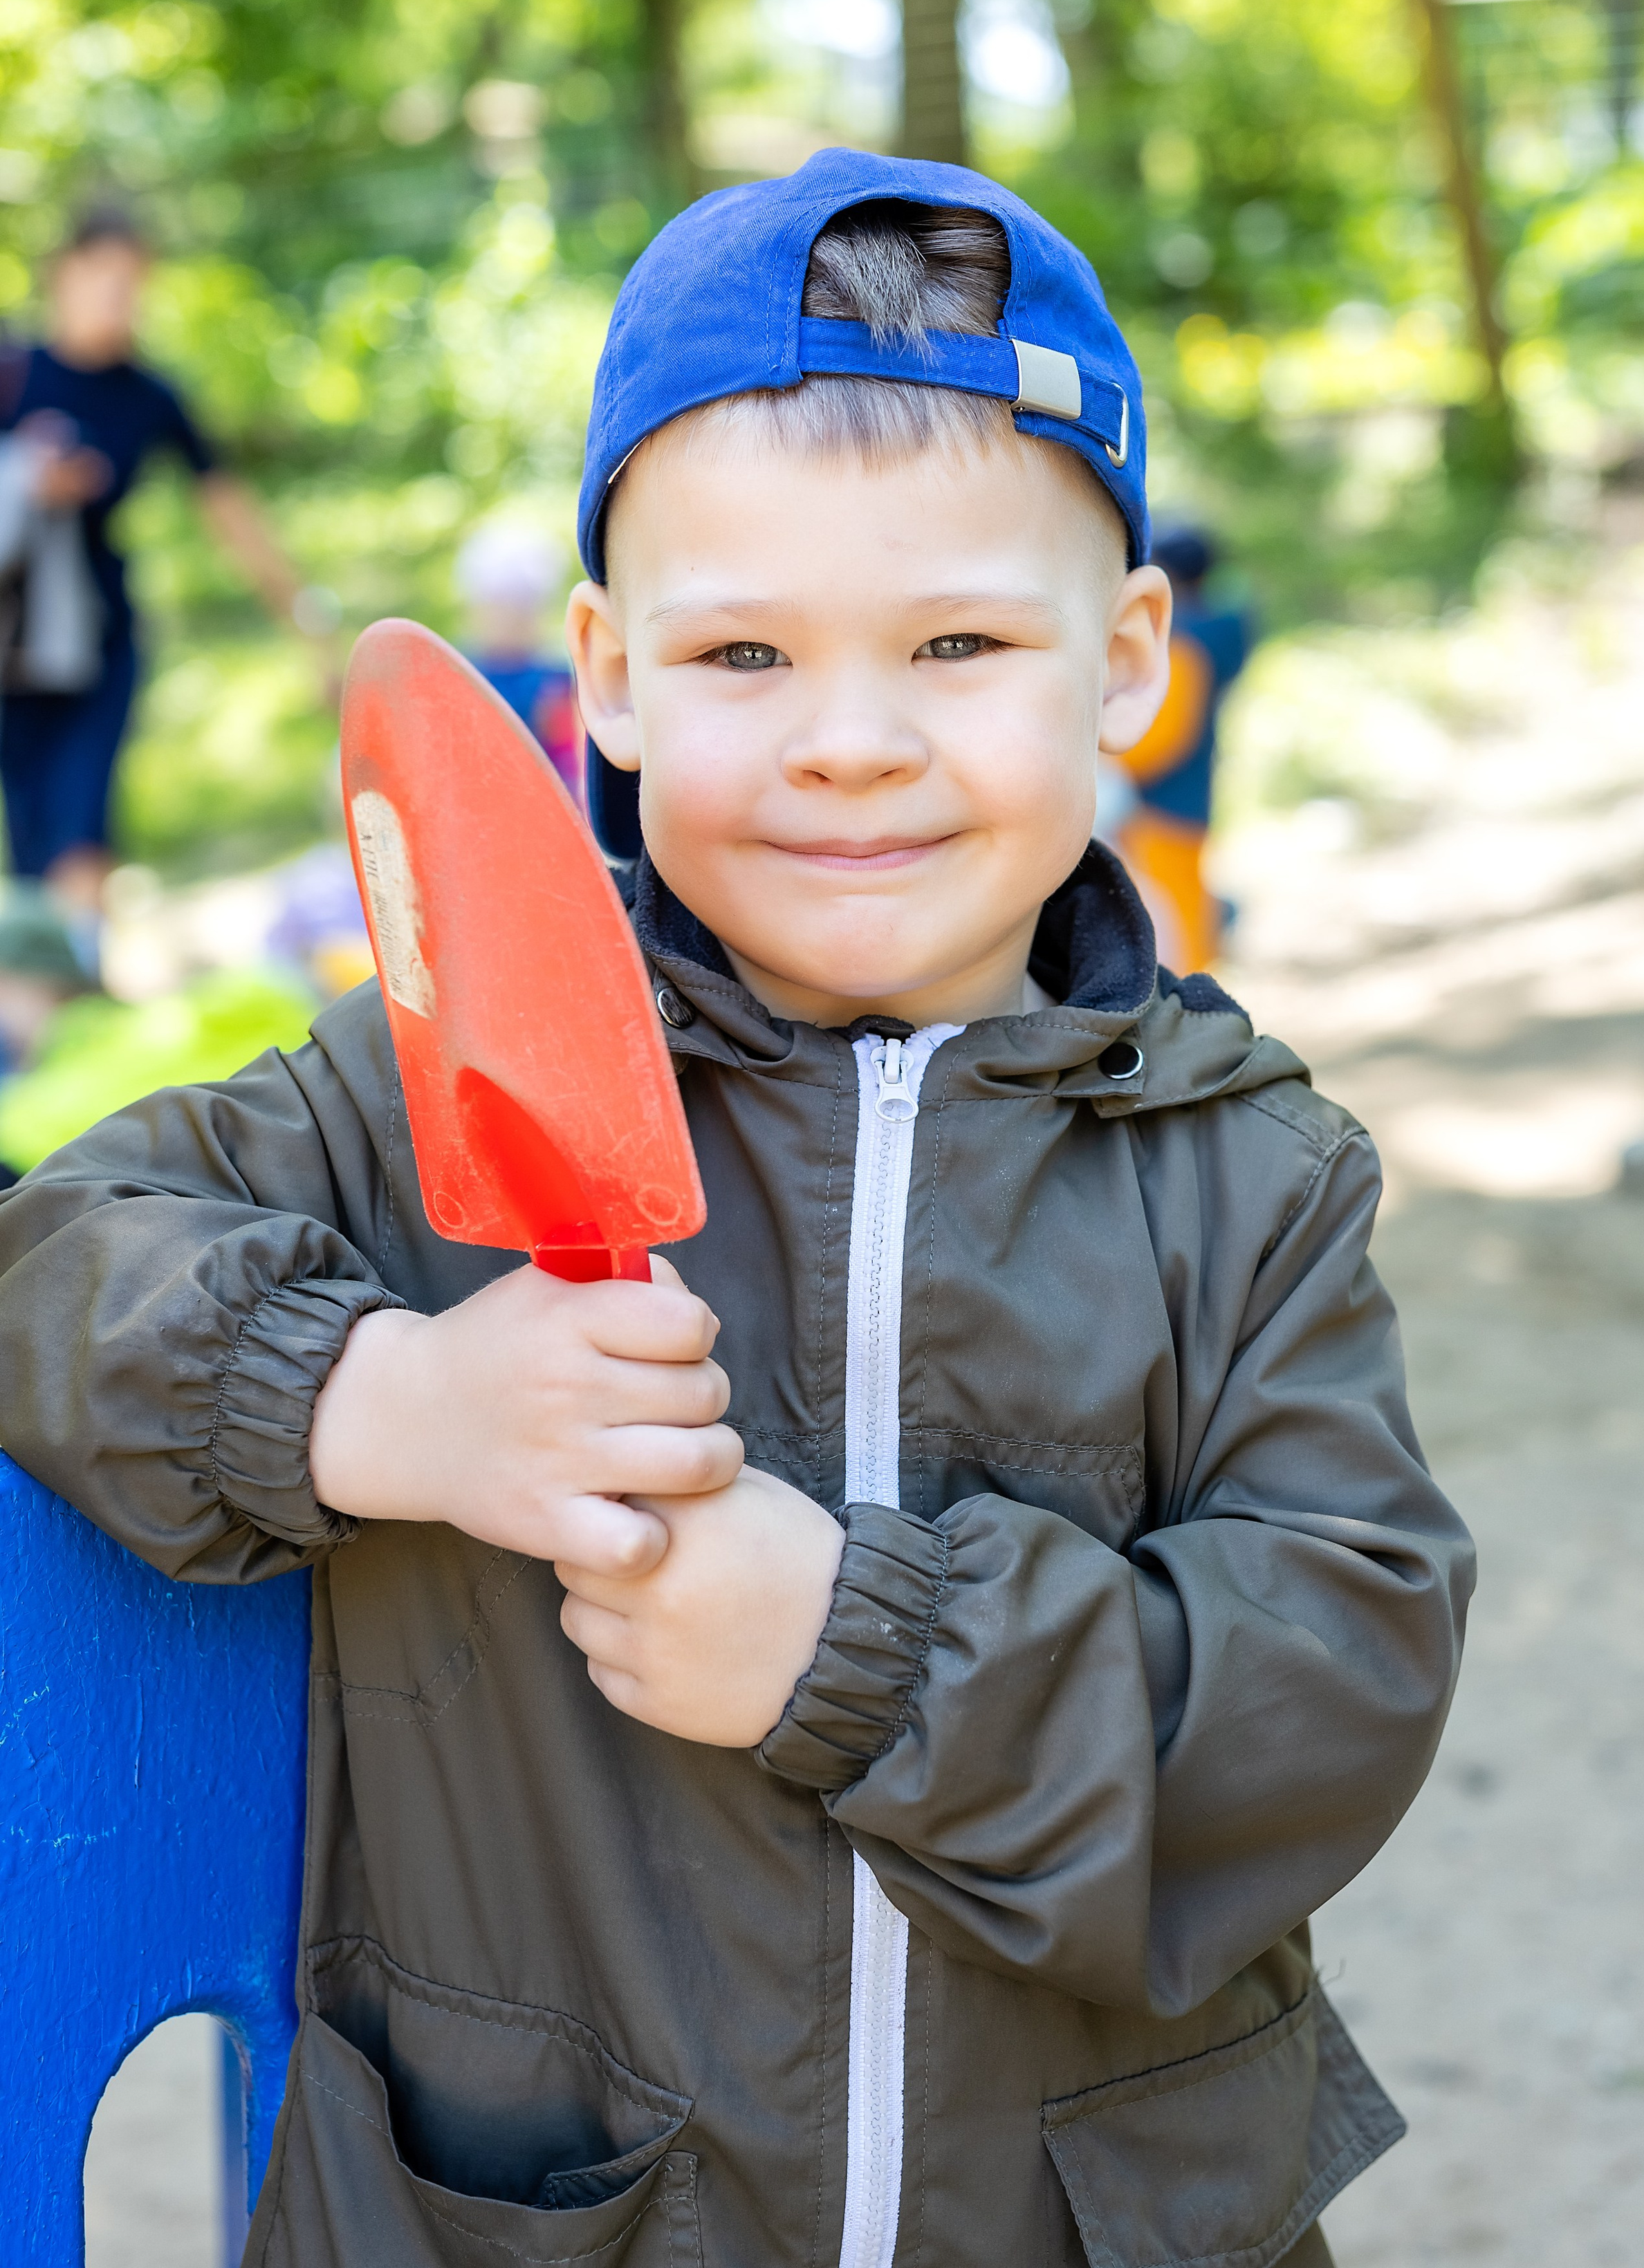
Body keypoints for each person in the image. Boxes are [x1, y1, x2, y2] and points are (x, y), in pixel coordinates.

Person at [0, 154, 1472, 2268]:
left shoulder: (1247, 1172)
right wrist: (378, 1394)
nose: (850, 743)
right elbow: (58, 1250)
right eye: (745, 651)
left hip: (1088, 2213)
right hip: (549, 2202)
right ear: (605, 673)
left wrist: (864, 1653)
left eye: (957, 641)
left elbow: (1331, 1684)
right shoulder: (454, 1068)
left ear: (1128, 659)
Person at [0, 208, 314, 963]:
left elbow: (229, 509)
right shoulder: (15, 375)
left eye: (133, 282)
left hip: (100, 639)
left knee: (83, 821)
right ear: (64, 274)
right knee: (32, 834)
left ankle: (76, 978)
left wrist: (305, 621)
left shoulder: (147, 396)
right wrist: (27, 481)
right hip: (13, 648)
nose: (119, 297)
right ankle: (49, 990)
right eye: (104, 278)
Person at [1112, 524, 1253, 974]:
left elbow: (1160, 739)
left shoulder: (1185, 643)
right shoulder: (1218, 629)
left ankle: (1187, 1009)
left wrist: (1102, 756)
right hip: (1190, 797)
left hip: (1161, 807)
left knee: (1171, 927)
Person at [454, 517, 586, 803]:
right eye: (500, 604)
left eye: (520, 605)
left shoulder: (554, 682)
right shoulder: (457, 673)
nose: (509, 617)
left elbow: (567, 759)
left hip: (540, 802)